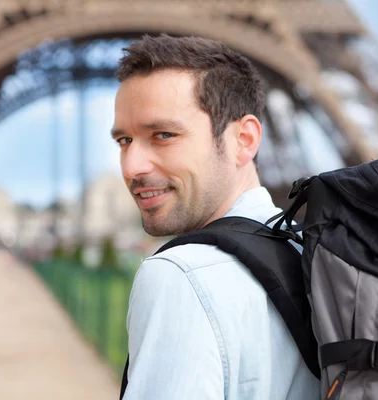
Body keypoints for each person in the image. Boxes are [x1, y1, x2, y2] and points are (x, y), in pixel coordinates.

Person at [112, 34, 320, 400]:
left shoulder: (181, 274)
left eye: (163, 134)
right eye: (124, 141)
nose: (132, 167)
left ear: (244, 139)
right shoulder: (311, 251)